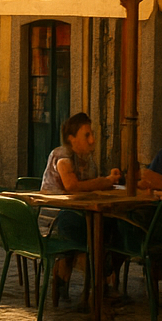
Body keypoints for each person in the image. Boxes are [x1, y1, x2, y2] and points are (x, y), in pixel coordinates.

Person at [39, 112, 122, 294]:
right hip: (55, 219)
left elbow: (91, 189)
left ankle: (99, 278)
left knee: (113, 224)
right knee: (89, 230)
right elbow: (72, 186)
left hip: (81, 213)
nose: (92, 140)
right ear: (72, 139)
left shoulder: (89, 162)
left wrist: (111, 180)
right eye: (87, 135)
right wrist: (104, 181)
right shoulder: (62, 155)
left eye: (92, 134)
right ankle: (98, 280)